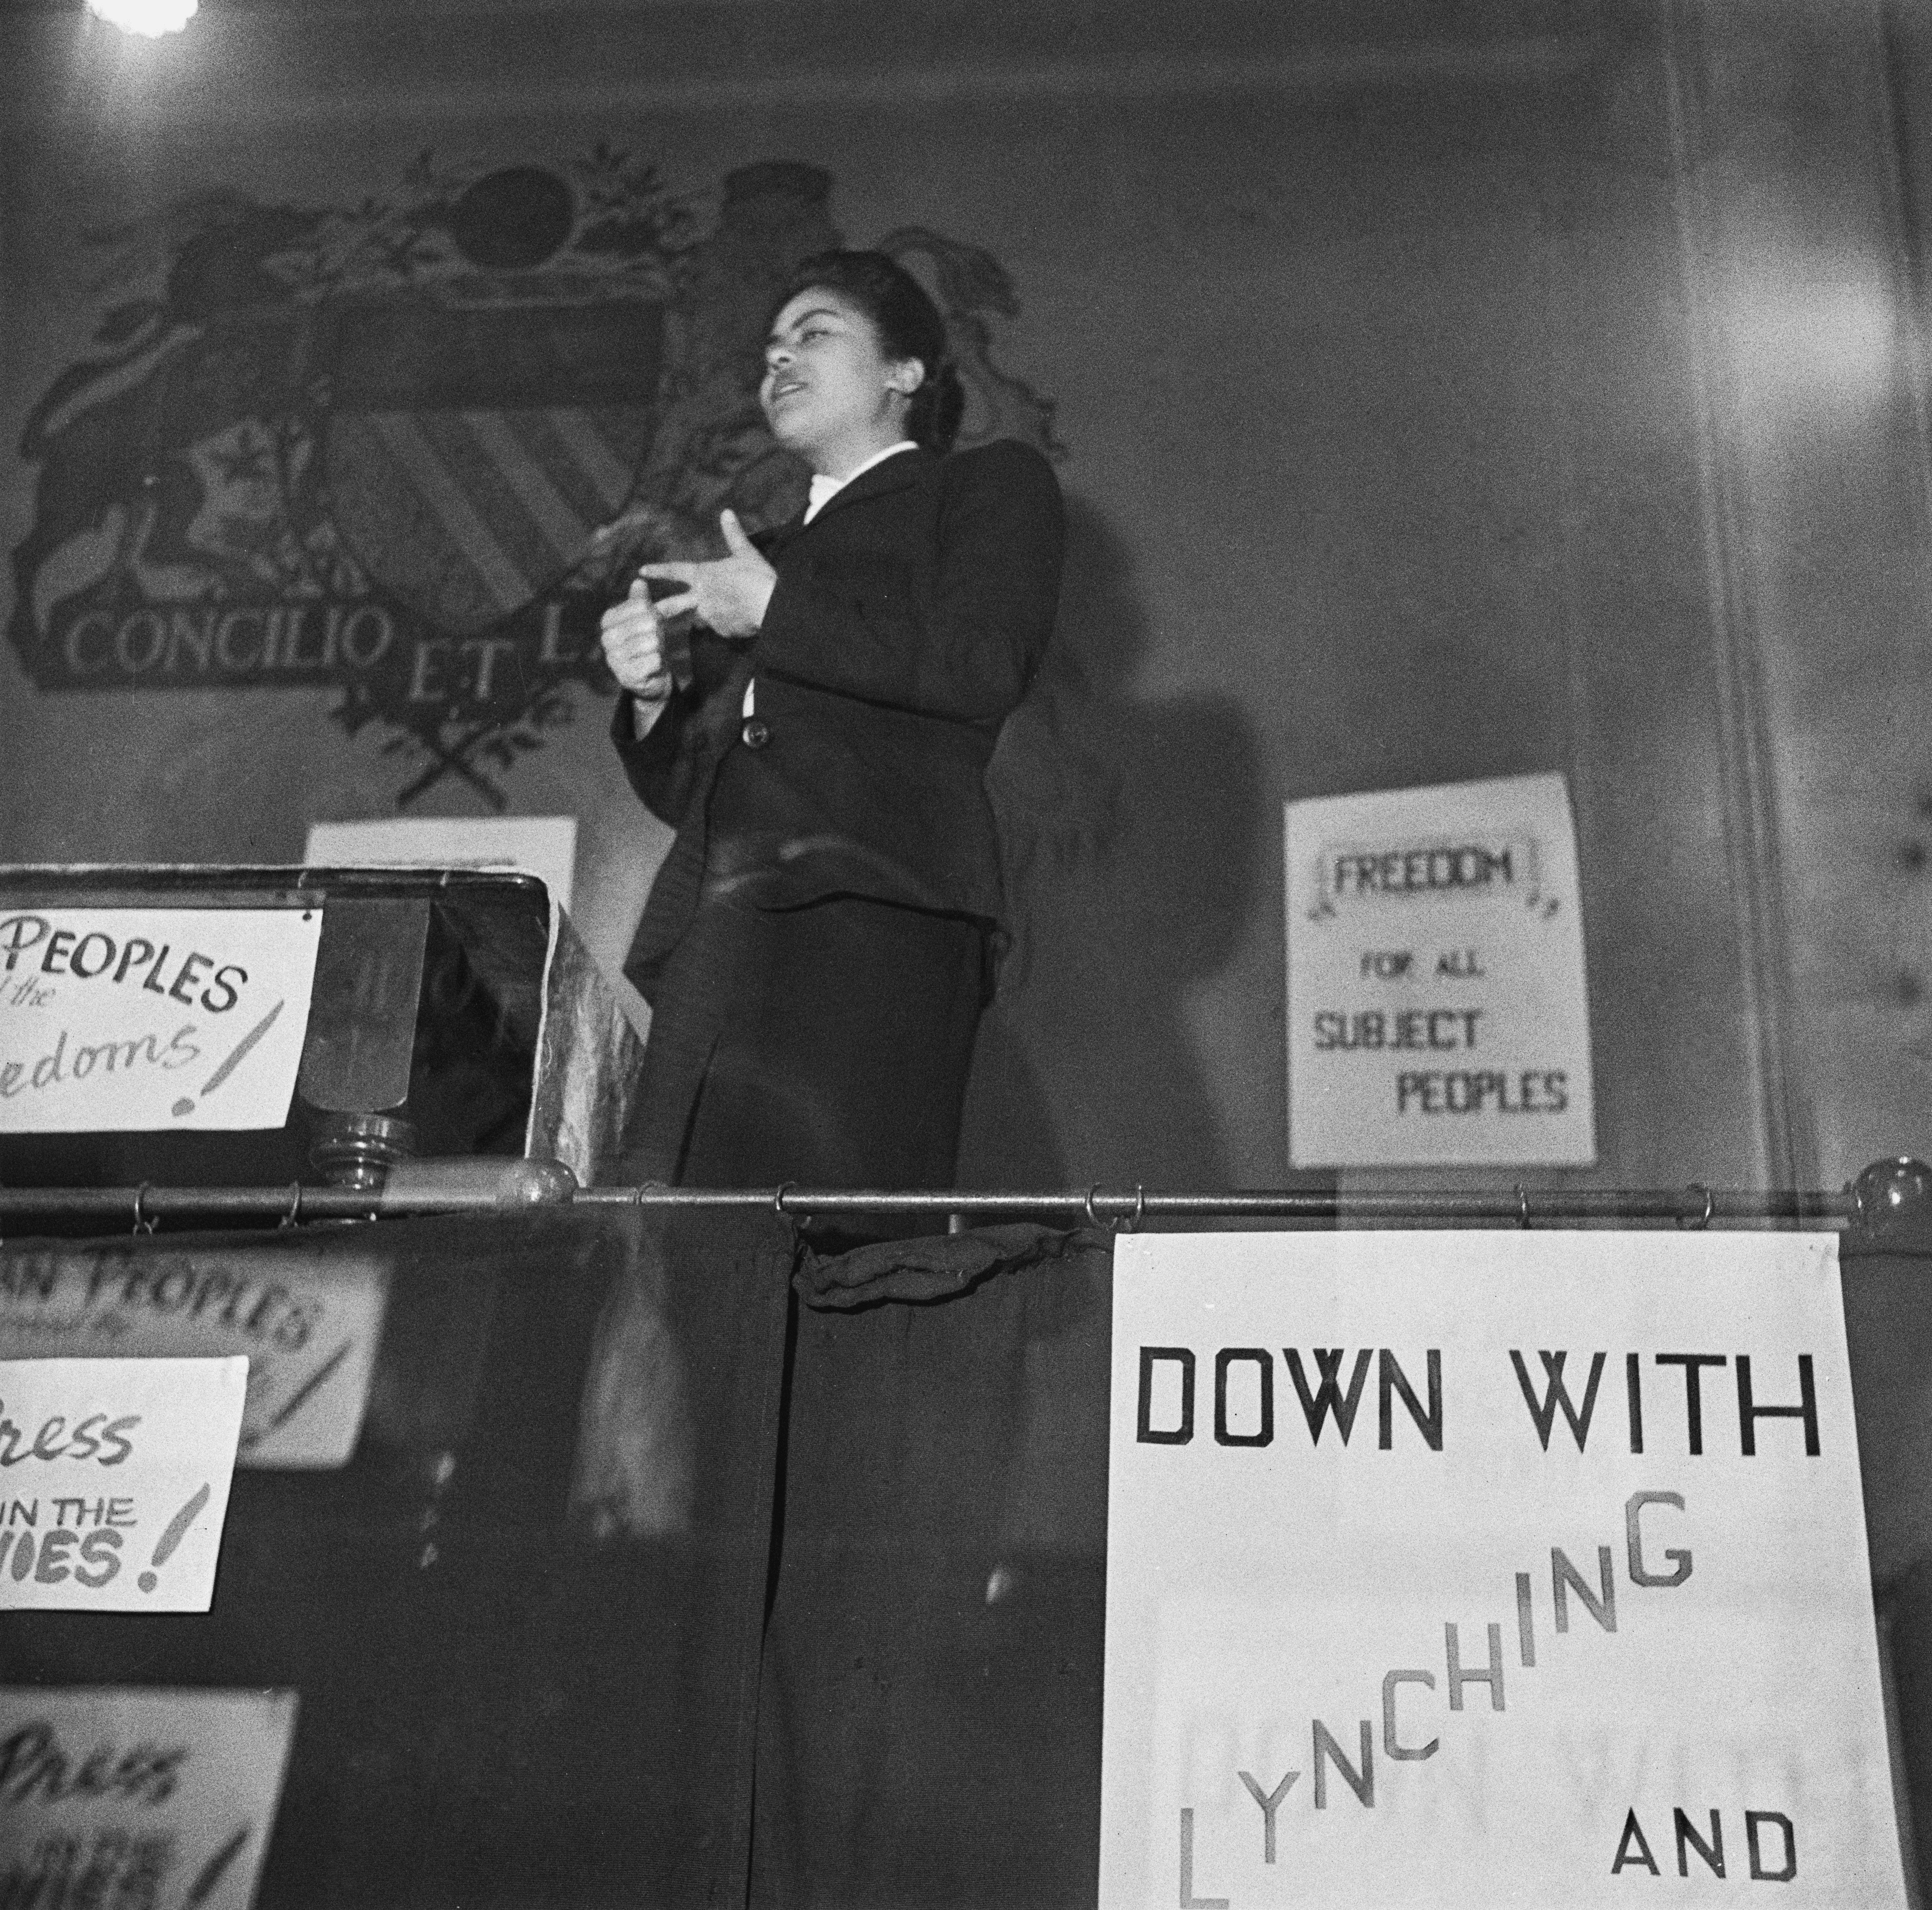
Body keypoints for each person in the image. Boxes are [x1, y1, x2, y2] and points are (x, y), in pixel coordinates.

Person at [601, 250, 1065, 1195]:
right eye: (771, 350)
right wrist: (652, 697)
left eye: (815, 336)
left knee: (840, 1251)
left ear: (906, 373)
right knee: (674, 1240)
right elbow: (700, 792)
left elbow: (984, 666)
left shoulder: (984, 488)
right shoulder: (760, 559)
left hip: (878, 916)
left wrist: (777, 615)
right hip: (725, 922)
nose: (780, 363)